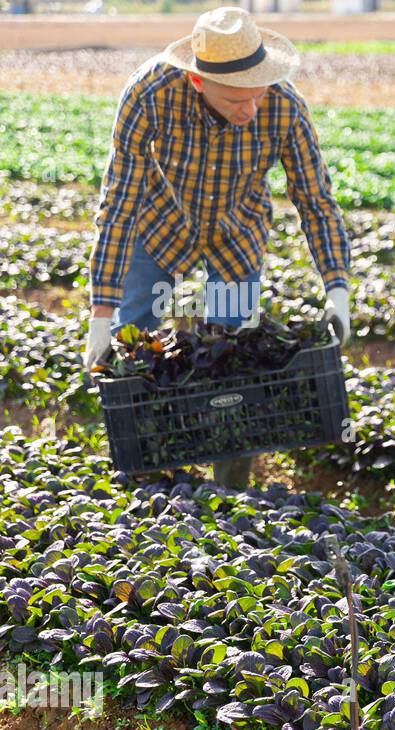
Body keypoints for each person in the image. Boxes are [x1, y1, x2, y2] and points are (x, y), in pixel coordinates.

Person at [82, 6, 352, 489]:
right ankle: (149, 469)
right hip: (159, 224)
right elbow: (118, 205)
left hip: (236, 231)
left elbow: (316, 202)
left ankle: (230, 485)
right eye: (236, 98)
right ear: (199, 83)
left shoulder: (284, 106)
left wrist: (337, 290)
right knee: (133, 341)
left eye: (258, 92)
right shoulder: (150, 96)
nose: (251, 108)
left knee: (235, 352)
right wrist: (101, 315)